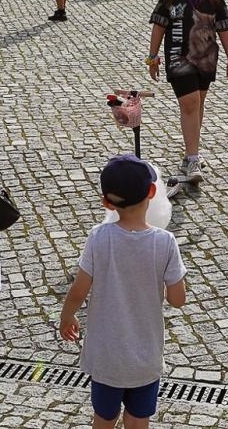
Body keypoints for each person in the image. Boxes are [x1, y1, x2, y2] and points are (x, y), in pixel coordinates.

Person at [59, 155, 187, 429]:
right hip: (145, 358)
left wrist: (67, 316)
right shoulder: (165, 243)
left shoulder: (99, 237)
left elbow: (79, 290)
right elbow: (178, 300)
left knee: (103, 419)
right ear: (153, 193)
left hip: (106, 358)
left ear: (106, 202)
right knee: (138, 420)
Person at [147, 0, 228, 194]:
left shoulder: (214, 0)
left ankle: (191, 152)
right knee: (189, 103)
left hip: (206, 59)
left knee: (198, 104)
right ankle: (193, 158)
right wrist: (152, 56)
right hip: (178, 58)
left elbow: (225, 31)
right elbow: (158, 27)